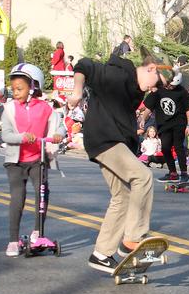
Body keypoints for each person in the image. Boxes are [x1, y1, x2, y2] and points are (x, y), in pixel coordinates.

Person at [69, 53, 161, 273]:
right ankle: (133, 238)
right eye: (155, 83)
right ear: (151, 69)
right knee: (143, 176)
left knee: (122, 197)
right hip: (105, 139)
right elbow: (85, 65)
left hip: (109, 141)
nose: (152, 89)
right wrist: (77, 91)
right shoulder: (117, 73)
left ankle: (101, 253)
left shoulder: (134, 89)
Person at [0, 63, 62, 257]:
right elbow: (6, 135)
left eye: (20, 88)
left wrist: (59, 134)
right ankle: (12, 240)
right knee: (18, 198)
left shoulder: (45, 108)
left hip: (38, 159)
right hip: (16, 161)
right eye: (13, 89)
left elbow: (59, 126)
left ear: (33, 87)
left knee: (42, 193)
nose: (15, 92)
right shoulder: (9, 109)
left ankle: (38, 232)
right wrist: (22, 137)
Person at [142, 70, 189, 184]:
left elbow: (188, 108)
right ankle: (172, 173)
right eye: (170, 84)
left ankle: (184, 173)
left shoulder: (182, 91)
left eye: (174, 86)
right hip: (164, 124)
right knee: (165, 148)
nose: (171, 87)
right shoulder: (158, 90)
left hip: (179, 122)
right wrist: (143, 119)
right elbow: (149, 107)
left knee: (179, 146)